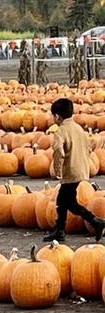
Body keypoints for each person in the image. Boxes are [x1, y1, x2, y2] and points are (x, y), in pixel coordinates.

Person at [43, 98, 105, 243]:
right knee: (63, 200)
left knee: (69, 202)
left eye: (53, 116)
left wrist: (57, 169)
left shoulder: (61, 131)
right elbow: (89, 146)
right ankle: (60, 230)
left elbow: (58, 150)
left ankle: (96, 221)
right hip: (81, 169)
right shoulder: (79, 129)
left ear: (57, 116)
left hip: (70, 172)